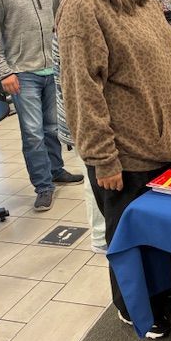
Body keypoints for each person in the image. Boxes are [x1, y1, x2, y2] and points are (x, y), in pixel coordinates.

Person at [55, 0, 171, 339]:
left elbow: (166, 71)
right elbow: (82, 90)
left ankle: (162, 287)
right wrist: (102, 159)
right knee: (130, 240)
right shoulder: (82, 5)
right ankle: (135, 307)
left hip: (166, 144)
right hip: (126, 155)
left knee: (164, 232)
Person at [0, 0, 83, 212]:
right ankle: (43, 186)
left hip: (51, 69)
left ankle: (56, 170)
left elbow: (59, 23)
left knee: (52, 127)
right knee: (33, 133)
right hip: (21, 72)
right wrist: (3, 72)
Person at [52, 34, 107, 254]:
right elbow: (80, 89)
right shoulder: (77, 14)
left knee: (97, 176)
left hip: (89, 121)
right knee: (94, 175)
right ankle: (100, 237)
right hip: (84, 124)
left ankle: (103, 234)